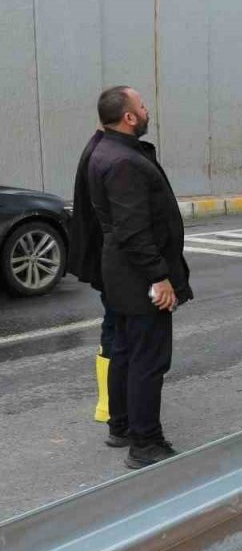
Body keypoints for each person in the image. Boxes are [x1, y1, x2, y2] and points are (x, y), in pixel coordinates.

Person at [87, 86, 192, 469]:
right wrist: (159, 277)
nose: (148, 111)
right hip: (137, 276)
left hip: (120, 272)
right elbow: (133, 229)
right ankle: (145, 443)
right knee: (149, 358)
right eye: (142, 106)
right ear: (129, 118)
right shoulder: (125, 161)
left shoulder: (108, 150)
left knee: (125, 351)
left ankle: (123, 425)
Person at [68, 125, 113, 426]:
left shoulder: (94, 148)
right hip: (110, 260)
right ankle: (109, 406)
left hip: (103, 259)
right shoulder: (104, 154)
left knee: (112, 328)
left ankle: (107, 405)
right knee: (115, 331)